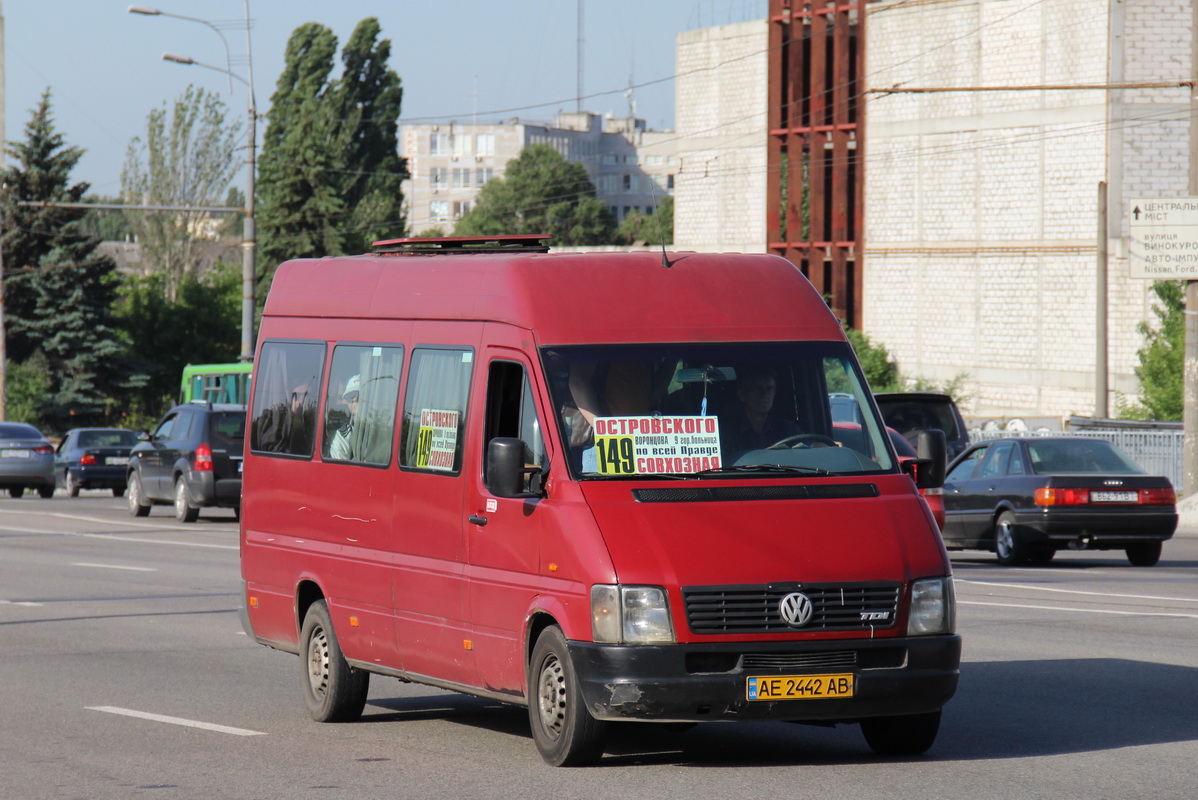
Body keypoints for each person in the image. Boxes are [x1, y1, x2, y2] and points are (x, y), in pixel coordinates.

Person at [720, 367, 800, 457]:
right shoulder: (726, 433)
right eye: (758, 388)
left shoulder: (789, 430)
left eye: (769, 388)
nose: (765, 393)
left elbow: (806, 451)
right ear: (742, 395)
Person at [330, 375, 360, 461]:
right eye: (350, 396)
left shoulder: (378, 432)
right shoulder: (341, 435)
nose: (354, 399)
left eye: (359, 395)